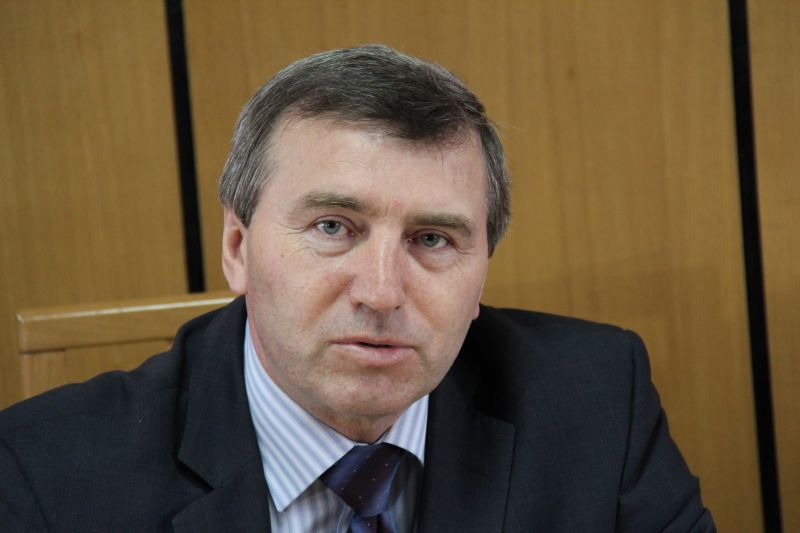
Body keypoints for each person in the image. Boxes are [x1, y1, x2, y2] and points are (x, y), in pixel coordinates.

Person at [0, 44, 714, 532]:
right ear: (237, 247)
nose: (380, 292)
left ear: (482, 273)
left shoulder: (596, 402)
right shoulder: (45, 476)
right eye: (333, 227)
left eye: (432, 240)